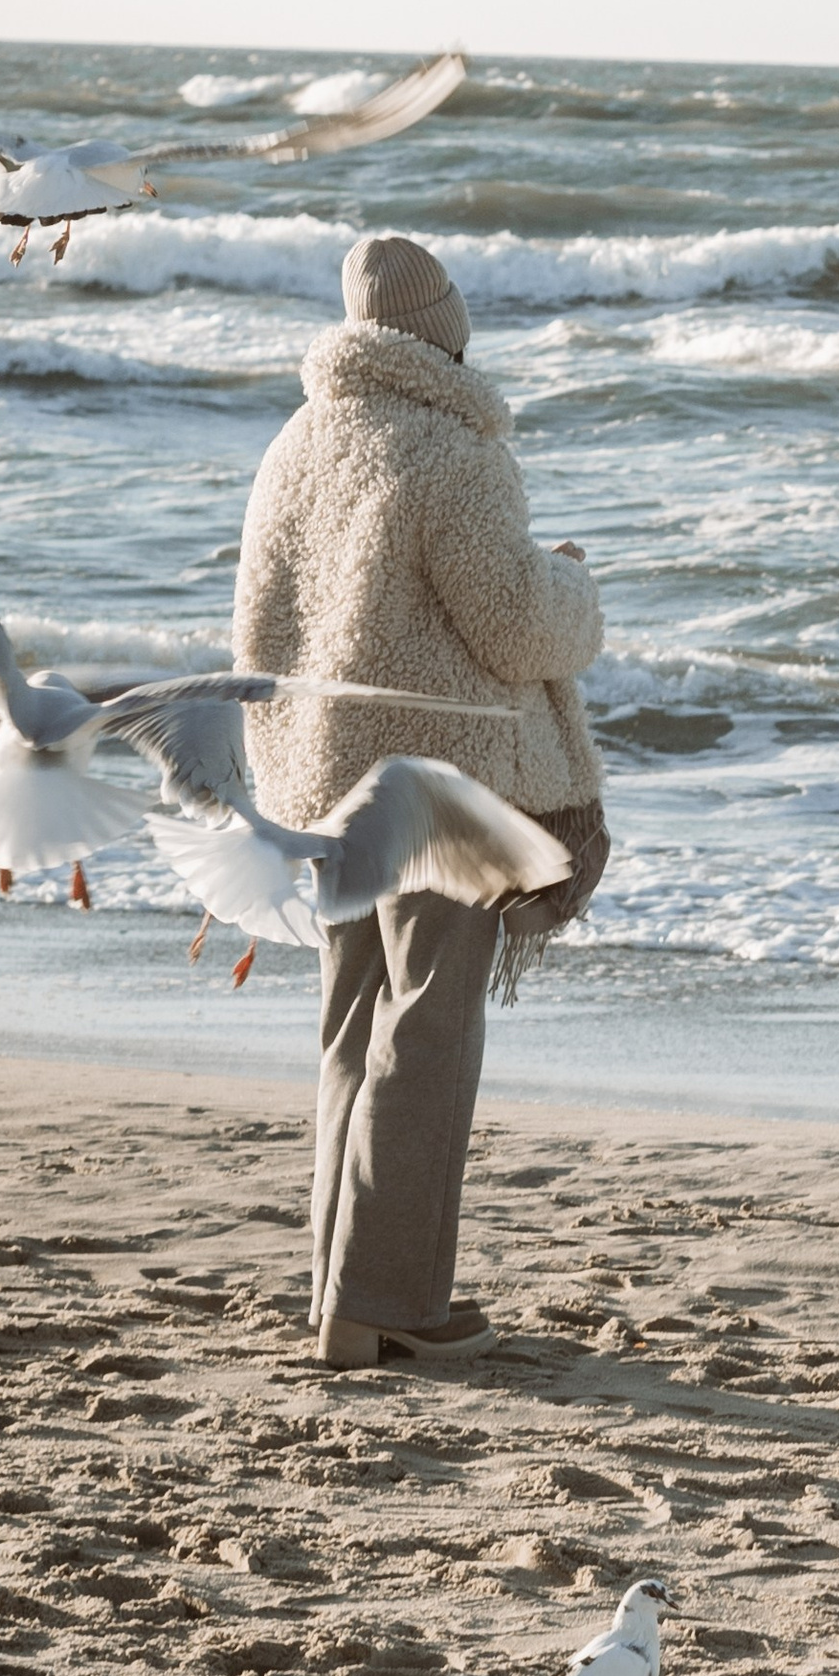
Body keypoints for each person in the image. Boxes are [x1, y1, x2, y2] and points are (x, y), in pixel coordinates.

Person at [233, 233, 606, 1367]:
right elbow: (518, 626)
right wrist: (574, 581)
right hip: (440, 784)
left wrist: (283, 763)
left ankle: (340, 1289)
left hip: (324, 779)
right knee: (428, 1026)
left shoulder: (298, 443)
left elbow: (260, 626)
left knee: (352, 1028)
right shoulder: (454, 449)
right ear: (445, 332)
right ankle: (388, 1300)